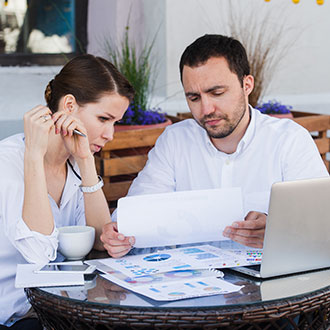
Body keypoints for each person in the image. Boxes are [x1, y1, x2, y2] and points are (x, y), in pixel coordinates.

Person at [101, 34, 329, 258]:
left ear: (247, 85)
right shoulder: (175, 141)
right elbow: (139, 210)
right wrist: (118, 233)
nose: (206, 109)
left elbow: (321, 225)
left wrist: (279, 232)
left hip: (268, 285)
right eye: (194, 98)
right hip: (189, 284)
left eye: (217, 93)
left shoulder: (289, 140)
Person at [0, 54, 134, 329]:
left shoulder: (75, 161)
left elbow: (99, 240)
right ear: (70, 105)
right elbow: (39, 256)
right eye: (104, 118)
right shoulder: (8, 164)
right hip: (16, 316)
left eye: (115, 123)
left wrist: (86, 161)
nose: (110, 134)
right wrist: (34, 157)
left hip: (61, 309)